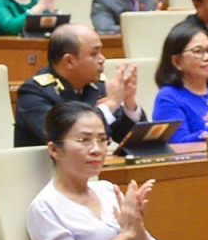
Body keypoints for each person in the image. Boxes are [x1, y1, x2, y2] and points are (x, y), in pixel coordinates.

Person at [25, 102, 163, 240]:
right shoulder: (45, 207)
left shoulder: (107, 190)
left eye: (102, 139)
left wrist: (137, 227)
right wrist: (127, 235)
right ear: (54, 150)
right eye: (84, 140)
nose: (97, 149)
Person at [12, 25, 143, 148]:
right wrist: (111, 104)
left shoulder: (96, 87)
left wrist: (129, 104)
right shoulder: (34, 93)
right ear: (69, 61)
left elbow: (134, 143)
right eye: (94, 54)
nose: (102, 59)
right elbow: (68, 138)